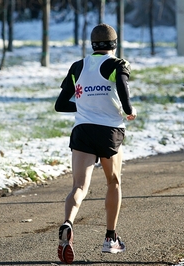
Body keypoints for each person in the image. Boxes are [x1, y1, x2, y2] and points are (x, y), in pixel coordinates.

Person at [54, 23, 137, 264]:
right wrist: (129, 110)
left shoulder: (78, 67)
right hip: (110, 131)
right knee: (114, 181)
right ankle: (110, 238)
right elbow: (122, 86)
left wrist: (84, 105)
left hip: (82, 131)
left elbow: (60, 104)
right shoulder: (116, 64)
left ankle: (68, 223)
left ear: (92, 45)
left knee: (79, 186)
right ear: (114, 44)